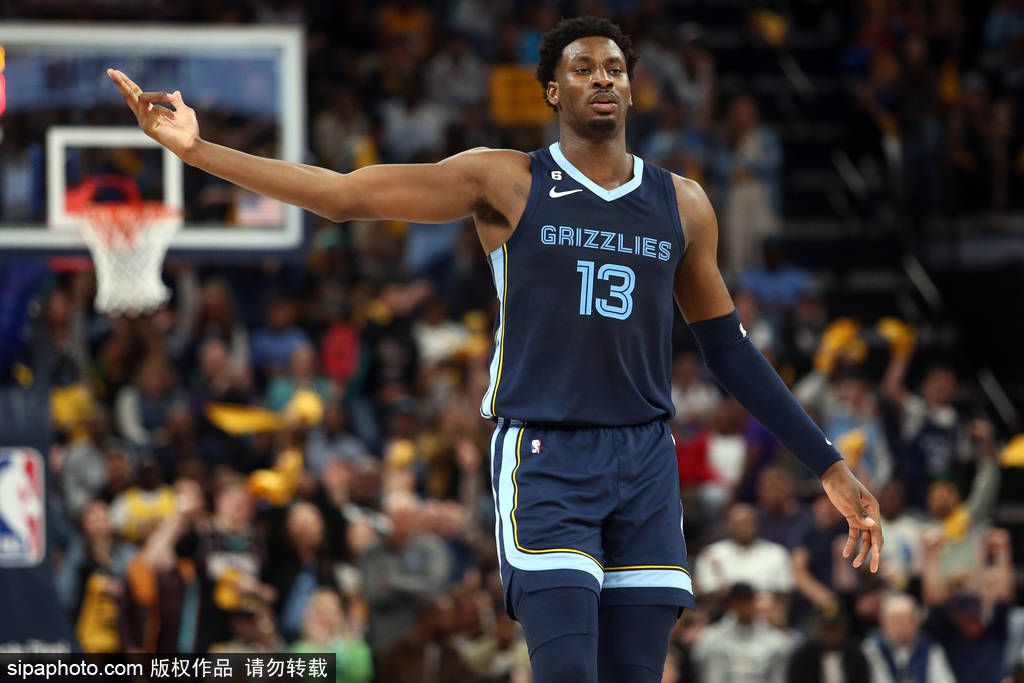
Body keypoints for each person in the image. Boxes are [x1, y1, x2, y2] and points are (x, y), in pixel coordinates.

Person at [107, 16, 882, 682]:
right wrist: (201, 152)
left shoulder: (683, 203)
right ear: (553, 90)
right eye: (582, 69)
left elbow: (730, 352)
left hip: (645, 460)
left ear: (634, 89)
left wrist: (829, 463)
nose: (601, 79)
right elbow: (343, 197)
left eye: (615, 68)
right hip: (547, 455)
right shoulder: (506, 181)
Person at [862, 592, 956, 683]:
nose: (902, 626)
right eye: (896, 621)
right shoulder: (872, 648)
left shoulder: (930, 648)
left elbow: (943, 679)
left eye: (908, 620)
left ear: (917, 622)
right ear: (884, 623)